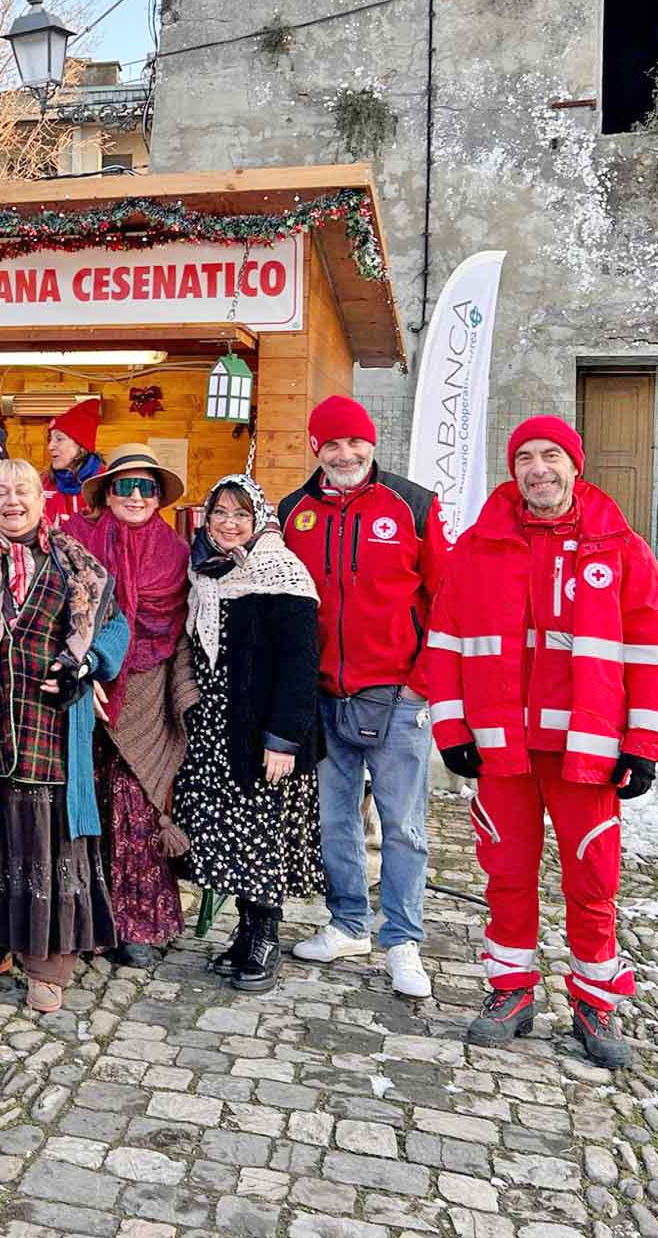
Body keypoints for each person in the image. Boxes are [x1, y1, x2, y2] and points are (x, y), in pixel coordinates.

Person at [427, 417, 658, 1069]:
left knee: (593, 882)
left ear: (575, 465)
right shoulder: (476, 550)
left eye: (551, 456)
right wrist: (452, 729)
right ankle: (510, 991)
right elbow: (446, 643)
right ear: (513, 472)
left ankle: (596, 1002)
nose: (538, 468)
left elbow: (650, 655)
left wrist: (643, 742)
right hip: (503, 749)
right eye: (526, 458)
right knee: (506, 876)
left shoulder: (622, 550)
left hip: (586, 754)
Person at [0, 458, 129, 1013]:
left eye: (22, 491)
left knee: (47, 832)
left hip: (53, 720)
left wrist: (87, 668)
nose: (11, 500)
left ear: (43, 499)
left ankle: (48, 959)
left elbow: (116, 625)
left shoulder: (76, 562)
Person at [277, 395, 450, 999]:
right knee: (334, 819)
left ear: (372, 445)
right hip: (323, 695)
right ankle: (348, 921)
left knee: (404, 826)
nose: (346, 454)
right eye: (333, 444)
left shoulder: (413, 506)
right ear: (314, 448)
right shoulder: (293, 511)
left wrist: (423, 681)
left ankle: (402, 940)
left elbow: (445, 597)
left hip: (398, 695)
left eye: (356, 443)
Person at [174, 474, 323, 992]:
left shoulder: (283, 572)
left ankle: (265, 936)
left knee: (262, 833)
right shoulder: (205, 573)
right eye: (220, 513)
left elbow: (301, 665)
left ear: (258, 519)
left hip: (263, 734)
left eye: (240, 514)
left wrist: (284, 738)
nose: (229, 523)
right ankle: (243, 932)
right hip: (217, 727)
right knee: (229, 835)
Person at [61, 446, 191, 968]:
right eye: (124, 486)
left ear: (158, 497)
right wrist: (83, 667)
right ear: (106, 492)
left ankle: (135, 924)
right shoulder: (76, 540)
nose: (135, 496)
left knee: (136, 807)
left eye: (146, 487)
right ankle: (84, 922)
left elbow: (181, 629)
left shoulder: (178, 552)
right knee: (82, 804)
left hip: (146, 691)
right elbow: (59, 608)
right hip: (82, 689)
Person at [41, 399, 104, 526]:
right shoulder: (42, 483)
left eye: (59, 439)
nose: (50, 446)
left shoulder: (106, 482)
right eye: (50, 439)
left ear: (81, 445)